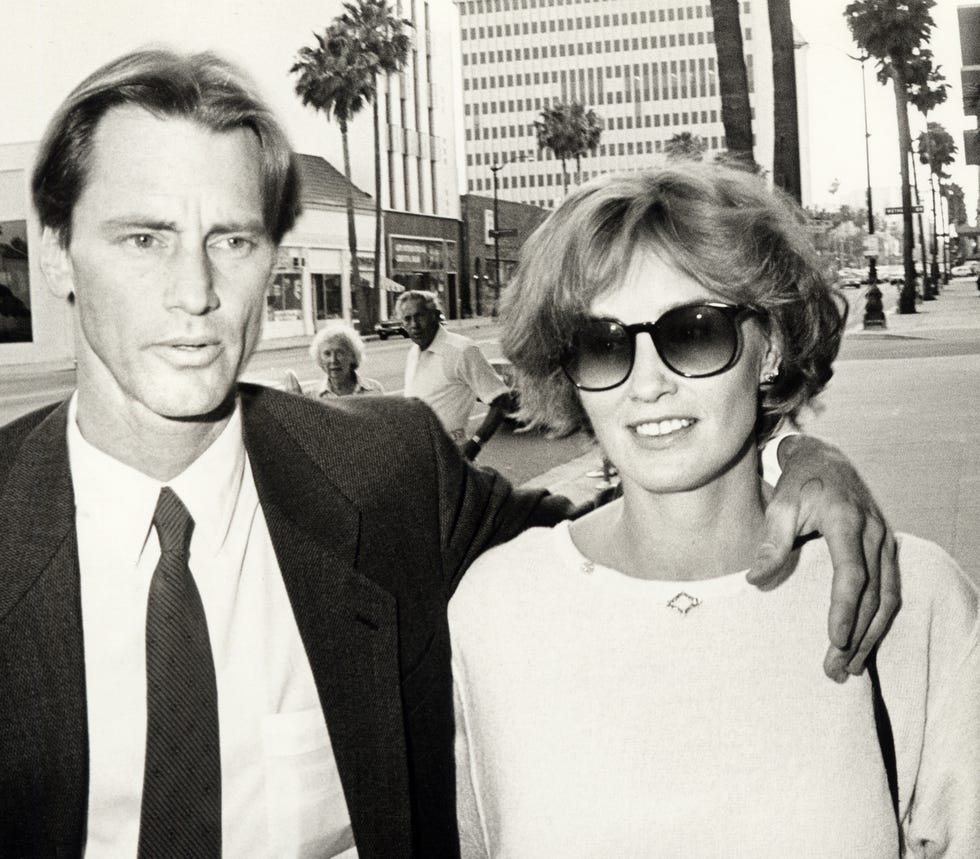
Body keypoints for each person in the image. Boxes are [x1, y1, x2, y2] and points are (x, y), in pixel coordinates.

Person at [0, 48, 895, 859]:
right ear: (56, 254)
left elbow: (637, 527)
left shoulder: (384, 473)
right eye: (143, 237)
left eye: (231, 240)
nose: (195, 291)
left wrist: (794, 452)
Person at [451, 165, 980, 857]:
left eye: (693, 333)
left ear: (772, 347)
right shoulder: (495, 608)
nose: (647, 384)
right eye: (604, 343)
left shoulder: (909, 597)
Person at [397, 289, 512, 460]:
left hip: (451, 454)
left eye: (420, 316)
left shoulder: (461, 350)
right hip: (420, 457)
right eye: (407, 319)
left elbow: (502, 400)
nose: (414, 325)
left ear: (435, 316)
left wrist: (475, 444)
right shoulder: (413, 352)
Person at [298, 320, 384, 399]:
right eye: (327, 354)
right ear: (319, 359)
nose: (333, 360)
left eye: (340, 353)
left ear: (353, 356)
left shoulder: (374, 390)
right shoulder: (311, 396)